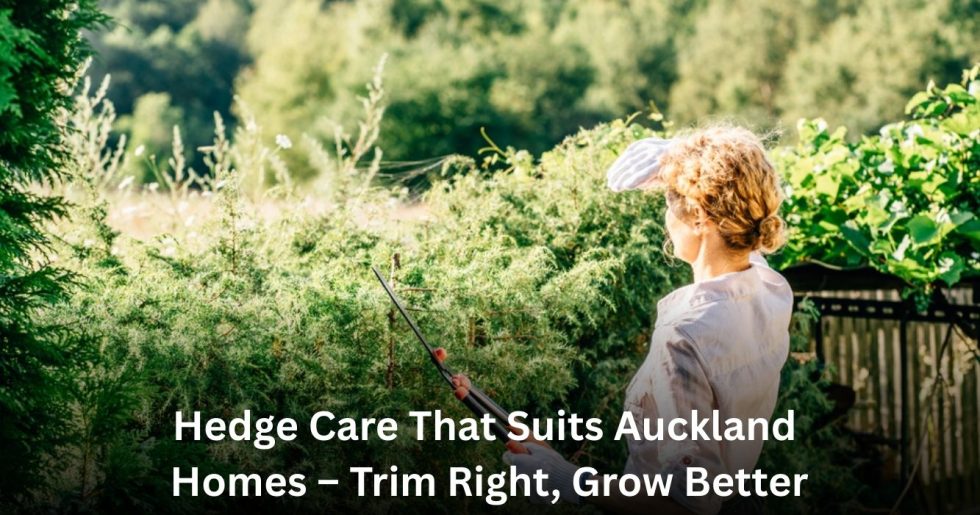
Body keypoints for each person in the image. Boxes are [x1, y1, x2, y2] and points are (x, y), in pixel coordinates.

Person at [461, 125, 794, 515]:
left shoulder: (683, 337)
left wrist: (571, 480)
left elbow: (688, 505)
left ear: (701, 216)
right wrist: (684, 157)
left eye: (671, 202)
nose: (667, 216)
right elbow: (744, 206)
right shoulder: (770, 289)